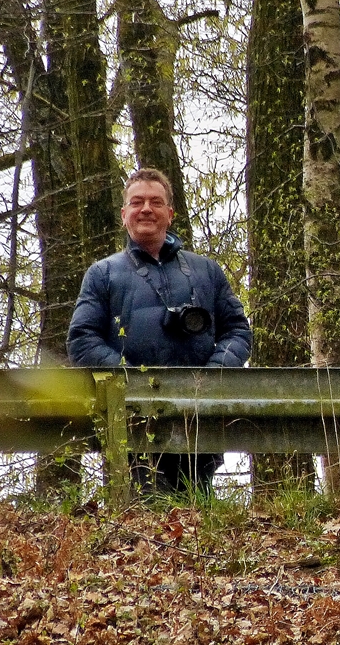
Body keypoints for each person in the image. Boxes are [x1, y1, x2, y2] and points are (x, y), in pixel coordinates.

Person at [68, 168, 251, 494]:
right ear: (124, 214)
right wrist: (129, 379)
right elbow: (82, 340)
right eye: (137, 202)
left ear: (170, 213)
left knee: (198, 519)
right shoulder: (103, 273)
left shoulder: (205, 270)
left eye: (156, 202)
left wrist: (213, 374)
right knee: (144, 521)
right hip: (131, 419)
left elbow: (237, 331)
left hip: (199, 417)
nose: (146, 209)